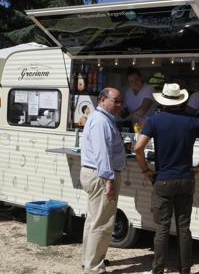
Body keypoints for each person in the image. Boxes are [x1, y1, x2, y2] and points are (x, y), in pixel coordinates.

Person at [134, 83, 199, 274]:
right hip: (186, 179)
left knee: (162, 228)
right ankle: (185, 269)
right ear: (181, 100)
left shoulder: (156, 120)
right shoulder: (192, 121)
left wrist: (145, 169)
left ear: (163, 101)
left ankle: (158, 270)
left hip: (163, 179)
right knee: (184, 228)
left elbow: (138, 148)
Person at [80, 87, 126, 274]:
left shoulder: (101, 119)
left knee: (93, 220)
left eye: (119, 101)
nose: (119, 105)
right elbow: (102, 153)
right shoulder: (101, 121)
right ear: (102, 100)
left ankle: (88, 260)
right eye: (115, 101)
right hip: (101, 176)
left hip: (95, 174)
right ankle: (94, 267)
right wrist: (108, 180)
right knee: (103, 222)